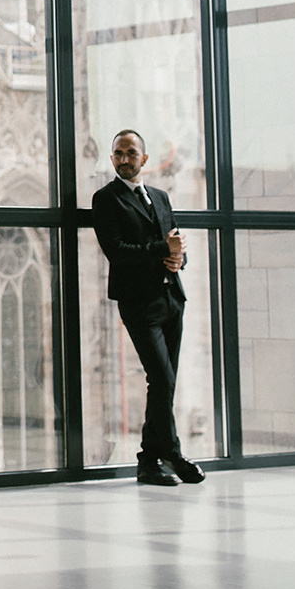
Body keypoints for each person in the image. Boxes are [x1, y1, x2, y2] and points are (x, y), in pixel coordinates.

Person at [90, 128, 205, 488]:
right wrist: (162, 251)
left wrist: (178, 260)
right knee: (162, 378)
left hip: (172, 299)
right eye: (118, 153)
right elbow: (117, 252)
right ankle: (171, 453)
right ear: (112, 159)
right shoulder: (106, 199)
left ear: (144, 158)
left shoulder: (160, 197)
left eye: (130, 153)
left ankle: (148, 460)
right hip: (138, 302)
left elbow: (175, 244)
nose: (124, 159)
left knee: (163, 382)